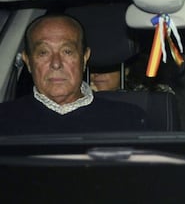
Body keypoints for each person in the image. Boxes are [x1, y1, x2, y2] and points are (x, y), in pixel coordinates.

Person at [0, 14, 147, 135]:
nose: (56, 63)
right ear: (27, 61)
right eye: (43, 52)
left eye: (67, 51)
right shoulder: (5, 119)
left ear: (84, 58)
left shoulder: (127, 119)